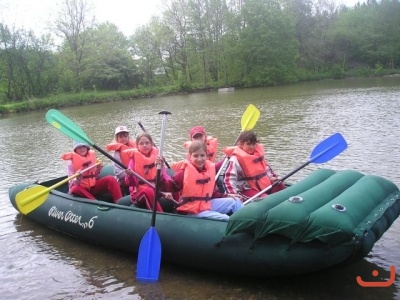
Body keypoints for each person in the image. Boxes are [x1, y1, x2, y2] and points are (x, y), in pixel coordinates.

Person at [162, 140, 243, 221]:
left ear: (206, 155)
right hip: (190, 211)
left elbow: (211, 193)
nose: (199, 159)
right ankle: (235, 227)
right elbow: (168, 186)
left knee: (236, 202)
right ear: (190, 156)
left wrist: (227, 195)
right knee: (225, 218)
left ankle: (246, 225)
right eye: (196, 156)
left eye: (202, 155)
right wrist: (160, 169)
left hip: (205, 205)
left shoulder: (210, 169)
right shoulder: (184, 172)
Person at [222, 130, 286, 200]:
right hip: (246, 189)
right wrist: (233, 194)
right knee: (264, 199)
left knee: (281, 186)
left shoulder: (258, 155)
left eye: (254, 144)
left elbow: (266, 169)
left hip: (263, 186)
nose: (252, 147)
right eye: (248, 144)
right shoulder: (235, 159)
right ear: (241, 144)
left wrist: (272, 178)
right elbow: (228, 179)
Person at [124, 132, 165, 212]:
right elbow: (130, 183)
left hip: (155, 188)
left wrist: (161, 166)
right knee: (148, 191)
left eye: (147, 143)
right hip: (139, 192)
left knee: (171, 185)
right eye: (141, 143)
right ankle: (160, 216)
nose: (144, 145)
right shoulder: (133, 160)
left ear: (151, 144)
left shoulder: (158, 158)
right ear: (137, 146)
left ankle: (179, 212)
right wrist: (130, 175)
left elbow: (164, 177)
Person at [106, 126, 136, 194]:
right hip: (124, 179)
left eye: (125, 136)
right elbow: (118, 173)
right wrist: (130, 174)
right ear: (117, 138)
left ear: (128, 137)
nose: (123, 139)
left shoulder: (135, 148)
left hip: (136, 176)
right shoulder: (116, 153)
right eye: (121, 137)